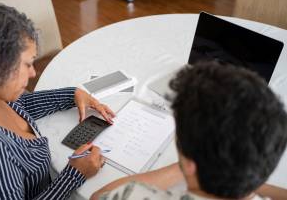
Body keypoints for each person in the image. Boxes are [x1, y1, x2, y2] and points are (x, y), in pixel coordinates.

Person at [0, 4, 115, 199]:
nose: (33, 72)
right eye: (28, 64)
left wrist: (71, 95)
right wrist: (74, 175)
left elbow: (17, 107)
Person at [91, 61, 287, 200]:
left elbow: (99, 196)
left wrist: (185, 166)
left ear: (192, 163)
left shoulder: (137, 195)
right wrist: (242, 178)